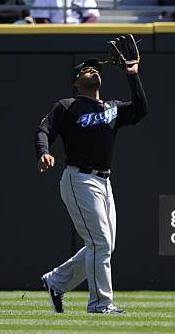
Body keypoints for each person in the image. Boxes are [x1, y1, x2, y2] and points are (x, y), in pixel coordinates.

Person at [35, 43, 147, 314]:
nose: (93, 71)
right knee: (100, 243)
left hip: (104, 183)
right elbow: (44, 129)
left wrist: (132, 74)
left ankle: (56, 281)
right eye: (87, 69)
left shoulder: (112, 107)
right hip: (79, 179)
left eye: (96, 68)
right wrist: (43, 152)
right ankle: (100, 304)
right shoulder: (68, 105)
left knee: (103, 245)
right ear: (76, 82)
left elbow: (141, 110)